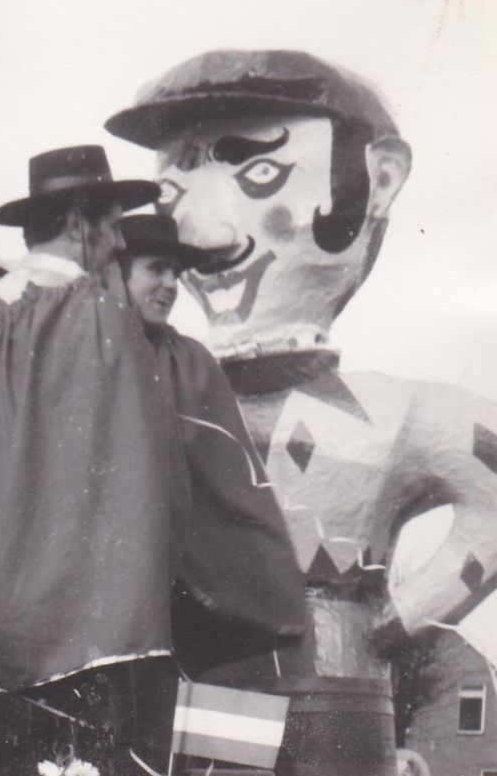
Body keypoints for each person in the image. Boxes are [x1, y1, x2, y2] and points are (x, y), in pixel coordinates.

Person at [107, 49, 497, 774]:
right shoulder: (161, 391)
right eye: (172, 188)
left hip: (330, 693)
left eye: (260, 174)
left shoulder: (398, 414)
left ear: (380, 179)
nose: (204, 233)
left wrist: (397, 620)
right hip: (223, 683)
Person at [0, 145, 179, 767]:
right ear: (79, 224)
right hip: (79, 624)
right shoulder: (97, 315)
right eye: (114, 226)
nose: (119, 243)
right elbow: (146, 470)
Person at [118, 213, 306, 674]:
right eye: (155, 269)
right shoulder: (90, 355)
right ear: (117, 274)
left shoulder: (193, 363)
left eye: (175, 272)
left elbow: (235, 486)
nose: (170, 285)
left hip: (188, 593)